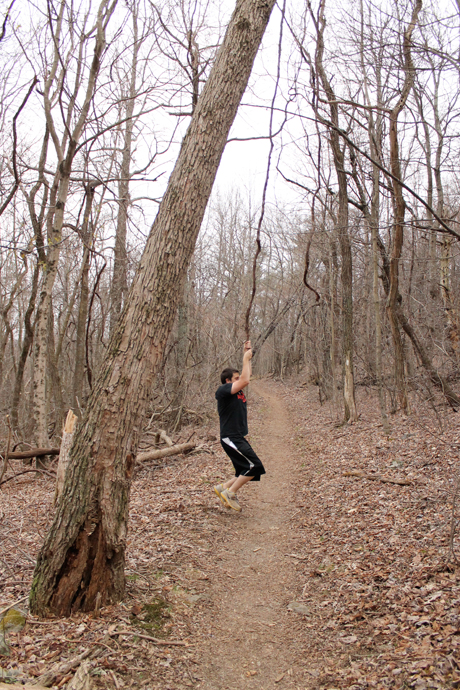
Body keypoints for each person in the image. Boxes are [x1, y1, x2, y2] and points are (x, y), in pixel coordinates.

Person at [214, 340, 265, 512]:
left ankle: (223, 488)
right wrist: (244, 358)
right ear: (228, 381)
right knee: (255, 466)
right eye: (235, 379)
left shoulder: (235, 389)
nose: (240, 380)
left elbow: (245, 377)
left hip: (237, 436)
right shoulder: (223, 391)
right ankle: (230, 493)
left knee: (247, 468)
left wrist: (248, 356)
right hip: (230, 437)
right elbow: (244, 380)